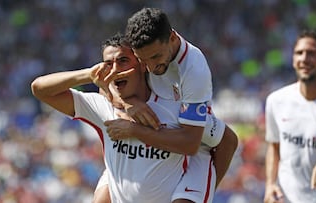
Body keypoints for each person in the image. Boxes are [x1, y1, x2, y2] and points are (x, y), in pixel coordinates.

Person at [31, 33, 215, 203]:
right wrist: (88, 74)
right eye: (108, 64)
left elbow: (224, 140)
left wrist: (135, 130)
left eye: (123, 61)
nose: (115, 70)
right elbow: (39, 89)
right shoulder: (102, 107)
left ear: (142, 64)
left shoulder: (175, 105)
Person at [101, 8, 238, 202]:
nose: (149, 68)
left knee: (228, 141)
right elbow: (105, 83)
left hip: (188, 134)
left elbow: (191, 142)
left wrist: (134, 130)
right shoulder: (139, 48)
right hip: (154, 134)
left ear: (172, 38)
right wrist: (128, 102)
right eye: (142, 60)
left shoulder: (194, 69)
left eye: (155, 57)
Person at [264, 29, 316, 203]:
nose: (304, 59)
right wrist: (270, 185)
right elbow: (274, 147)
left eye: (311, 53)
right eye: (299, 53)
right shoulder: (276, 101)